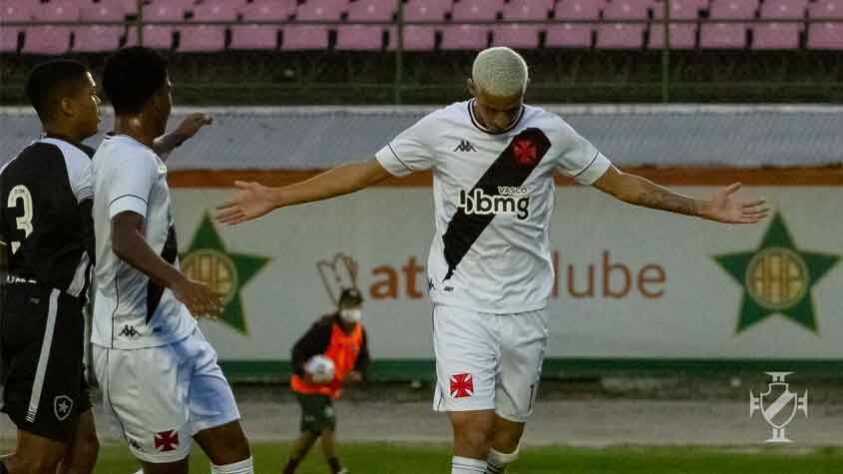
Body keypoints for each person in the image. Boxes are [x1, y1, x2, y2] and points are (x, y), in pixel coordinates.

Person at [217, 47, 770, 474]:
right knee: (472, 433)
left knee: (503, 445)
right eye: (491, 107)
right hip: (462, 303)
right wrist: (280, 195)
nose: (503, 118)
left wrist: (702, 207)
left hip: (526, 307)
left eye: (511, 109)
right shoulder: (438, 130)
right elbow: (362, 172)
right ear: (470, 90)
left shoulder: (548, 135)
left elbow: (622, 184)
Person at [91, 47, 253, 474]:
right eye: (167, 87)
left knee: (233, 449)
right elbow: (124, 237)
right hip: (136, 344)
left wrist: (178, 136)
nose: (171, 95)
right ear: (154, 100)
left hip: (176, 332)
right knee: (168, 469)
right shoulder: (130, 160)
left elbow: (143, 160)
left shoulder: (125, 151)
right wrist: (180, 282)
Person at [0, 59, 102, 474]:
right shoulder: (85, 165)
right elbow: (108, 241)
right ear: (66, 106)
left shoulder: (11, 168)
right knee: (36, 460)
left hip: (23, 302)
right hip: (51, 309)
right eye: (91, 94)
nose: (99, 103)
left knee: (83, 447)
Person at [283, 288, 370, 474]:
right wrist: (302, 371)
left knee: (312, 432)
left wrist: (358, 373)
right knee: (327, 423)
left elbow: (363, 358)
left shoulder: (360, 332)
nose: (352, 309)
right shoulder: (325, 328)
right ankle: (337, 469)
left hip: (328, 388)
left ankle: (288, 470)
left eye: (356, 305)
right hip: (308, 387)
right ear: (340, 306)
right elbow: (297, 351)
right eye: (348, 305)